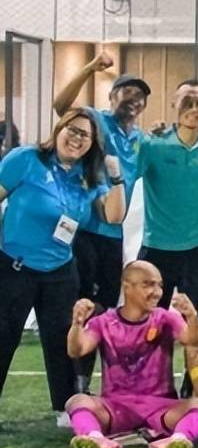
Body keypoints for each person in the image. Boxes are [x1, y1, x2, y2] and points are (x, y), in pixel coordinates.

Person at [0, 109, 124, 416]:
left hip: (60, 271)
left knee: (62, 344)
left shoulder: (88, 176)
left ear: (93, 143)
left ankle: (67, 410)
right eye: (72, 129)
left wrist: (117, 177)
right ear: (59, 129)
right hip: (14, 267)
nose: (77, 138)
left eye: (85, 135)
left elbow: (113, 216)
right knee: (3, 338)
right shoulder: (26, 159)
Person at [51, 54, 150, 393]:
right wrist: (90, 68)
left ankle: (89, 384)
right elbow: (61, 105)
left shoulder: (141, 140)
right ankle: (72, 389)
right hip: (84, 232)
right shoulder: (97, 120)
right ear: (111, 97)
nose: (134, 100)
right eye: (127, 92)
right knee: (79, 309)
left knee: (105, 309)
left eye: (140, 96)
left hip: (113, 234)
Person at [65, 262, 198, 448]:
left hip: (161, 407)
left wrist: (192, 316)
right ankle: (95, 439)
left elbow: (193, 340)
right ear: (127, 287)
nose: (157, 292)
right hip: (116, 407)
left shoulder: (166, 317)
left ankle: (177, 441)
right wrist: (77, 324)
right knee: (76, 401)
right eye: (148, 285)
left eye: (159, 285)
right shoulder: (103, 321)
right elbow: (77, 350)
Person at [136, 80, 198, 322]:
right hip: (156, 248)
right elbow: (125, 175)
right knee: (147, 324)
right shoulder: (152, 145)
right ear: (174, 103)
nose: (193, 108)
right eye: (187, 102)